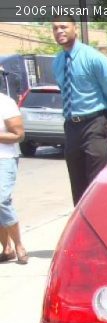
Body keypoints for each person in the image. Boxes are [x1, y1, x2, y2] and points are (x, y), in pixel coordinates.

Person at [52, 18, 107, 205]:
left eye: (64, 27)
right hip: (71, 126)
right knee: (78, 186)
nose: (59, 31)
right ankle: (82, 221)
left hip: (95, 123)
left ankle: (102, 220)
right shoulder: (58, 61)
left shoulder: (93, 58)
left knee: (96, 183)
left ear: (75, 28)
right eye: (55, 28)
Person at [0, 90, 26, 264]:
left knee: (1, 200)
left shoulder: (5, 102)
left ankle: (18, 245)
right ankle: (6, 248)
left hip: (4, 158)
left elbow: (18, 135)